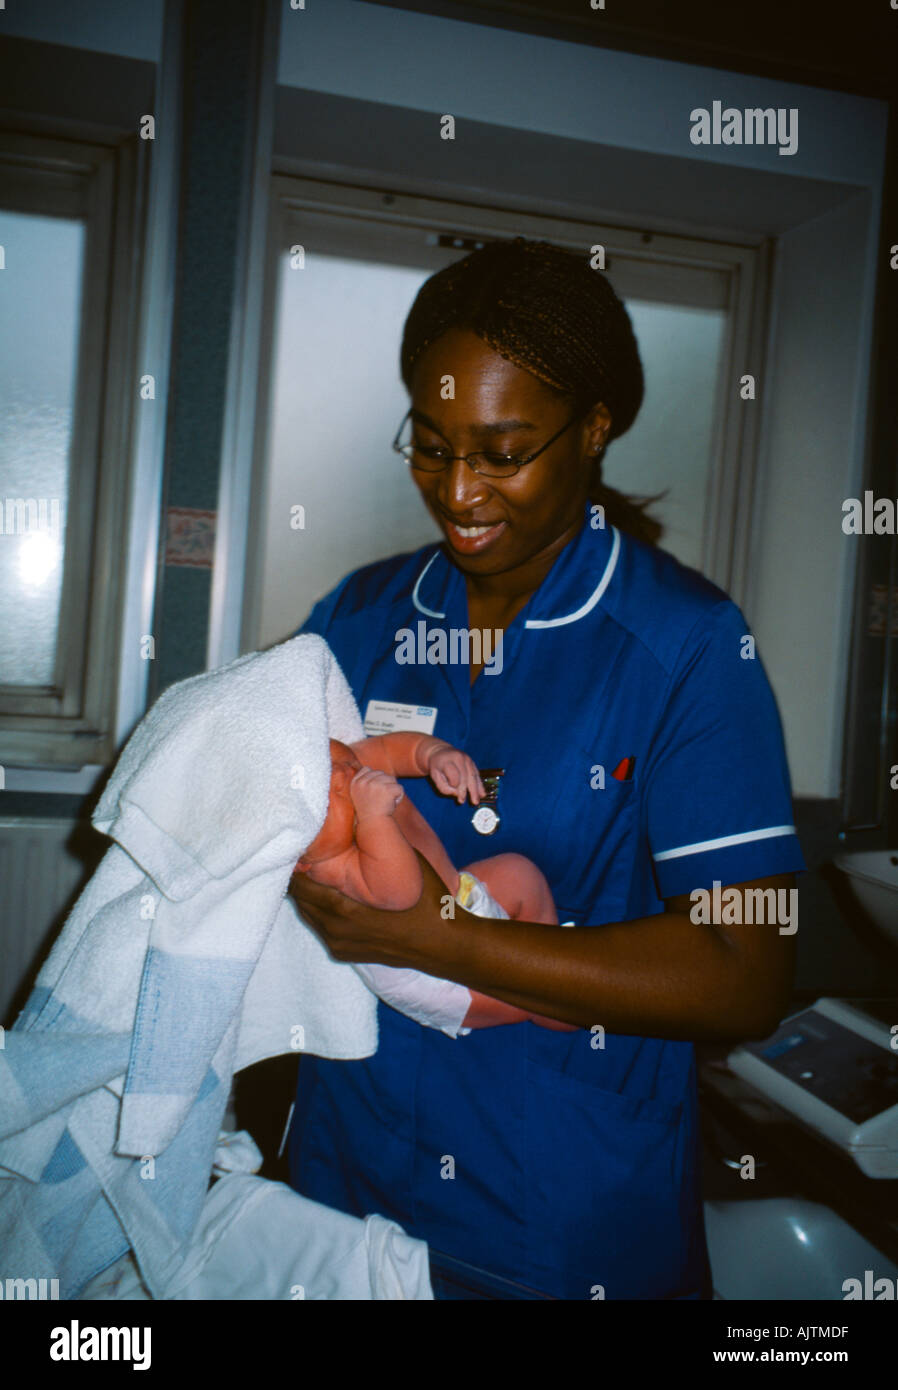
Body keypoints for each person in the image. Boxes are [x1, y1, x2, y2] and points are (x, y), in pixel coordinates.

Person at [286, 236, 806, 1300]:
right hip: (345, 1177)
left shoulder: (684, 646)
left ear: (596, 427)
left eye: (503, 449)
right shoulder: (359, 617)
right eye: (429, 446)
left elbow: (745, 970)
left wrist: (443, 939)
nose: (459, 489)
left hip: (557, 1214)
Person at [293, 733, 575, 1032]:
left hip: (454, 898)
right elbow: (401, 893)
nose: (342, 773)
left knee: (519, 873)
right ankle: (552, 1007)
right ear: (298, 860)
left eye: (340, 760)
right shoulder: (329, 866)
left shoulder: (350, 769)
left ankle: (548, 950)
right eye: (331, 792)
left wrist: (432, 754)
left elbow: (388, 750)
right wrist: (373, 816)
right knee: (521, 1000)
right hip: (428, 968)